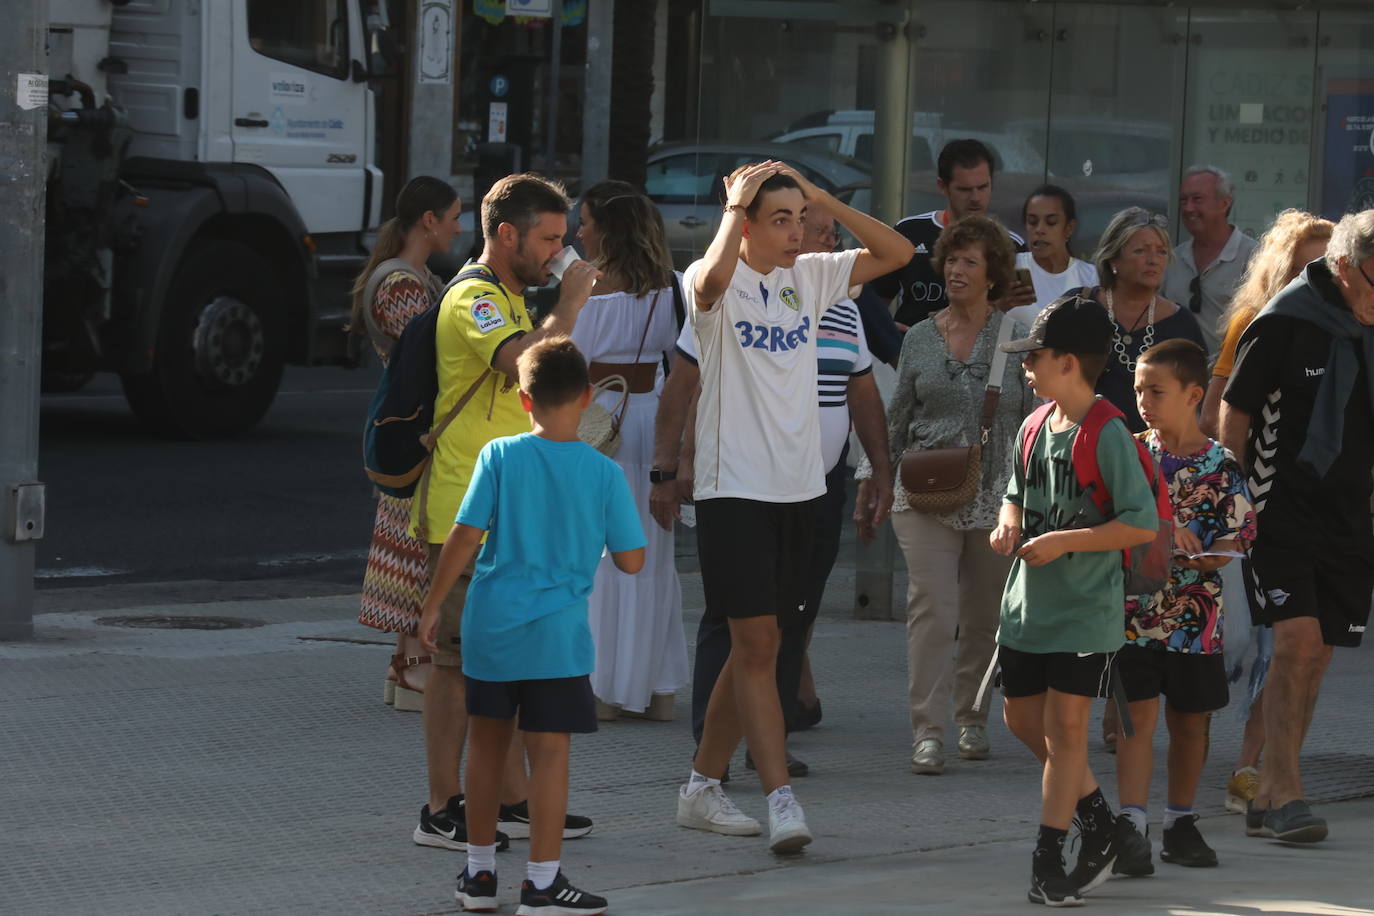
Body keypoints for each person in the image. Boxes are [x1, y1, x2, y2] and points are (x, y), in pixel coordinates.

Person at [674, 161, 913, 853]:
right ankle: (782, 800)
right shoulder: (708, 278)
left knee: (757, 646)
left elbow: (897, 253)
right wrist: (731, 208)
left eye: (797, 219)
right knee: (758, 646)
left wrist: (822, 198)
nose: (795, 231)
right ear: (744, 225)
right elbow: (715, 282)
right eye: (777, 220)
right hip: (733, 491)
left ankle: (699, 787)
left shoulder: (812, 277)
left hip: (802, 490)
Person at [418, 336, 646, 915]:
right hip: (557, 640)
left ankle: (478, 876)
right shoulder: (603, 474)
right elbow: (632, 559)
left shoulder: (499, 455)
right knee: (548, 757)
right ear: (588, 396)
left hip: (491, 627)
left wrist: (431, 603)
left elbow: (465, 534)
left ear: (524, 399)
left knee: (488, 749)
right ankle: (542, 885)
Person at [410, 173, 602, 852]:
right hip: (465, 509)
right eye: (549, 238)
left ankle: (515, 801)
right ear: (507, 234)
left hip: (510, 510)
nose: (559, 250)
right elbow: (523, 365)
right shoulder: (473, 298)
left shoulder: (514, 297)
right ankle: (441, 807)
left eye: (563, 238)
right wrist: (570, 304)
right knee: (458, 666)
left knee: (516, 661)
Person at [991, 295, 1159, 906]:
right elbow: (1014, 492)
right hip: (1027, 609)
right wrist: (1009, 523)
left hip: (1086, 611)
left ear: (1068, 362)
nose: (1025, 368)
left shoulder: (1107, 430)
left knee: (1066, 734)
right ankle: (1103, 824)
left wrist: (1065, 541)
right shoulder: (1035, 426)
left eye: (1032, 357)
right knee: (1019, 719)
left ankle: (1047, 860)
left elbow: (1141, 524)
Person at [855, 215, 1035, 775]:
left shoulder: (1016, 335)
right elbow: (899, 414)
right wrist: (874, 476)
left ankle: (972, 719)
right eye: (952, 260)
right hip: (925, 486)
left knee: (983, 616)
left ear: (992, 276)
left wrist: (1032, 497)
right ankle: (927, 730)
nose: (956, 270)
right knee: (932, 609)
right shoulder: (917, 339)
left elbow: (1032, 422)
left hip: (994, 491)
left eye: (970, 263)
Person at [1220, 209, 1374, 844]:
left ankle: (1266, 791)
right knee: (1297, 646)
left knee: (1318, 656)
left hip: (1350, 517)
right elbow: (1233, 418)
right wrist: (1235, 509)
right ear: (1343, 269)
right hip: (1278, 509)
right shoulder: (1284, 321)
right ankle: (1284, 792)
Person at [1198, 210, 1332, 815]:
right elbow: (1218, 414)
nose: (1323, 276)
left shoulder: (1352, 325)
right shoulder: (1257, 323)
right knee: (1246, 648)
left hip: (1327, 515)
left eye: (1330, 263)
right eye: (1308, 264)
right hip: (1257, 507)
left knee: (1295, 648)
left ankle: (1258, 770)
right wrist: (1239, 496)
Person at [1110, 339, 1255, 877]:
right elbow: (1106, 519)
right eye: (1139, 389)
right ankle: (1131, 824)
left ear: (1195, 394)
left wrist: (1203, 549)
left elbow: (1235, 540)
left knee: (1191, 723)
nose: (1144, 400)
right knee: (1136, 721)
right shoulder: (1127, 451)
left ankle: (1181, 820)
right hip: (1133, 618)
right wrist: (1160, 535)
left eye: (1157, 390)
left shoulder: (1221, 463)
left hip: (1196, 622)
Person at [569, 180, 688, 721]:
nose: (579, 230)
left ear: (608, 229)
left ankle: (604, 689)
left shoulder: (584, 288)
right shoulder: (675, 288)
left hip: (598, 423)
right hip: (652, 418)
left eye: (587, 221)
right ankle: (656, 688)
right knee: (652, 556)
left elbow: (568, 360)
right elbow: (684, 362)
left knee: (602, 558)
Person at [350, 176, 462, 711]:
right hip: (411, 422)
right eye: (454, 216)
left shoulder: (413, 276)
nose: (459, 227)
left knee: (413, 539)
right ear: (428, 221)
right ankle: (412, 662)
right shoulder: (400, 284)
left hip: (411, 419)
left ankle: (405, 660)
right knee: (414, 538)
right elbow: (433, 352)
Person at [868, 139, 1032, 328]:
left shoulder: (1011, 245)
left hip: (979, 353)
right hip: (911, 351)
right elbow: (874, 305)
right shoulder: (909, 231)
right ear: (943, 186)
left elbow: (1021, 316)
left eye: (983, 187)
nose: (976, 198)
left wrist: (998, 306)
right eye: (964, 189)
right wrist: (893, 336)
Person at [1201, 210, 1333, 438]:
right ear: (1279, 272)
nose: (1318, 282)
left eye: (1327, 271)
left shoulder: (1351, 326)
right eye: (1304, 272)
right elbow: (1211, 417)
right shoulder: (1252, 322)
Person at [1087, 207, 1206, 435]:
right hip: (1085, 445)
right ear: (1113, 259)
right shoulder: (1080, 307)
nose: (1153, 260)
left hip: (1156, 456)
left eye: (1161, 252)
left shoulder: (1181, 323)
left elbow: (1197, 395)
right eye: (1141, 251)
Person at [1161, 166, 1259, 355]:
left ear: (1224, 203)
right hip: (1175, 377)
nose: (1189, 208)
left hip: (1229, 378)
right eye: (1183, 200)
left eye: (1197, 199)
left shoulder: (1255, 258)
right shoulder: (1170, 259)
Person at [1007, 185, 1098, 329]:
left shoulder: (1091, 277)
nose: (1039, 230)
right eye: (1032, 222)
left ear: (1069, 228)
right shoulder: (1008, 268)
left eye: (1051, 222)